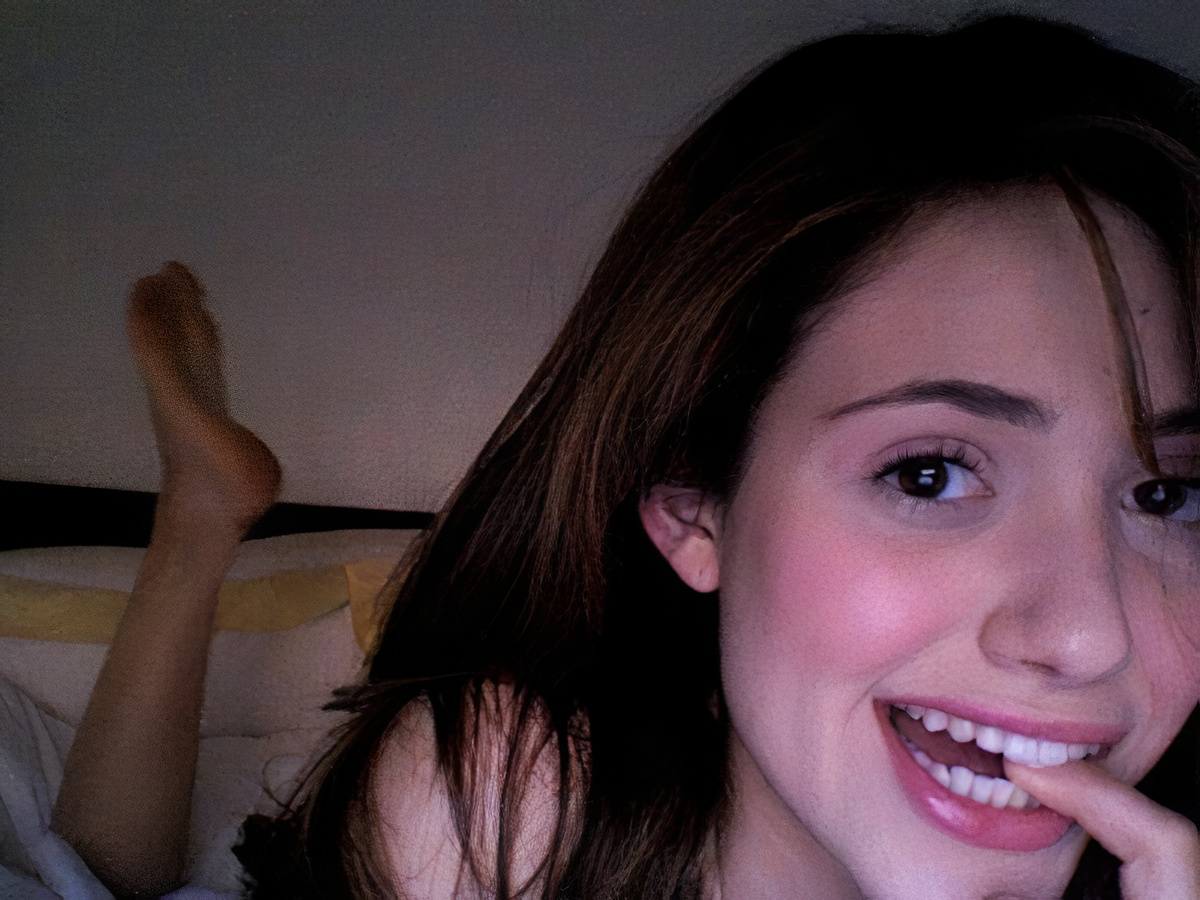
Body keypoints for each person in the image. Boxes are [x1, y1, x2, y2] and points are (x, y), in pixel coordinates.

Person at [46, 13, 1200, 900]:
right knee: (106, 866)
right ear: (694, 511)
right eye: (928, 474)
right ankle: (197, 525)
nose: (1088, 635)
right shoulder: (505, 805)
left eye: (1169, 493)